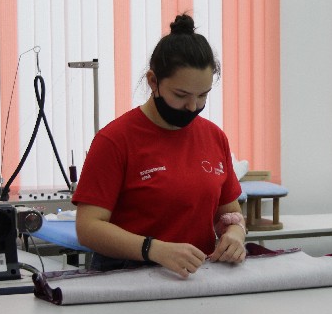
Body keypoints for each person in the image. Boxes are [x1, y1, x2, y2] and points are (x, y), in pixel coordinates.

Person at [72, 14, 246, 277]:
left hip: (196, 279)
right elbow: (88, 228)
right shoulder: (115, 140)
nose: (192, 107)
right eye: (181, 95)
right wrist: (152, 249)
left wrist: (235, 233)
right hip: (128, 279)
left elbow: (230, 213)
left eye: (203, 95)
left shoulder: (214, 137)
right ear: (153, 81)